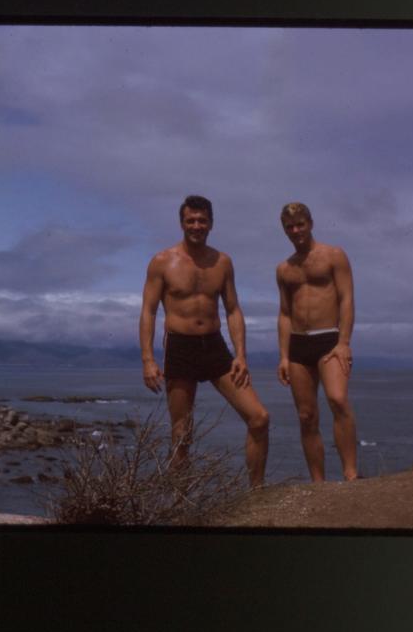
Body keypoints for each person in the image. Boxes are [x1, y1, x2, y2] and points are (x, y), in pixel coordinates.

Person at [139, 195, 270, 487]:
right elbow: (148, 312)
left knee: (259, 417)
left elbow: (233, 309)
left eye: (202, 220)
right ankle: (178, 507)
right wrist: (148, 360)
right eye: (190, 220)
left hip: (214, 347)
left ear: (211, 223)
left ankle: (258, 496)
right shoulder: (162, 262)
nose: (196, 226)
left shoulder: (222, 262)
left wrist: (241, 356)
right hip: (180, 348)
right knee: (182, 435)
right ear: (181, 223)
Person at [276, 202, 358, 481]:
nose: (296, 230)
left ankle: (350, 473)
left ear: (310, 222)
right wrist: (284, 356)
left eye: (300, 224)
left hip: (329, 339)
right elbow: (285, 313)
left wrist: (344, 341)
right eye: (290, 226)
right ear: (284, 230)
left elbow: (347, 299)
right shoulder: (284, 269)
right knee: (306, 416)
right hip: (298, 345)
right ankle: (318, 484)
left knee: (337, 399)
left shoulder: (334, 256)